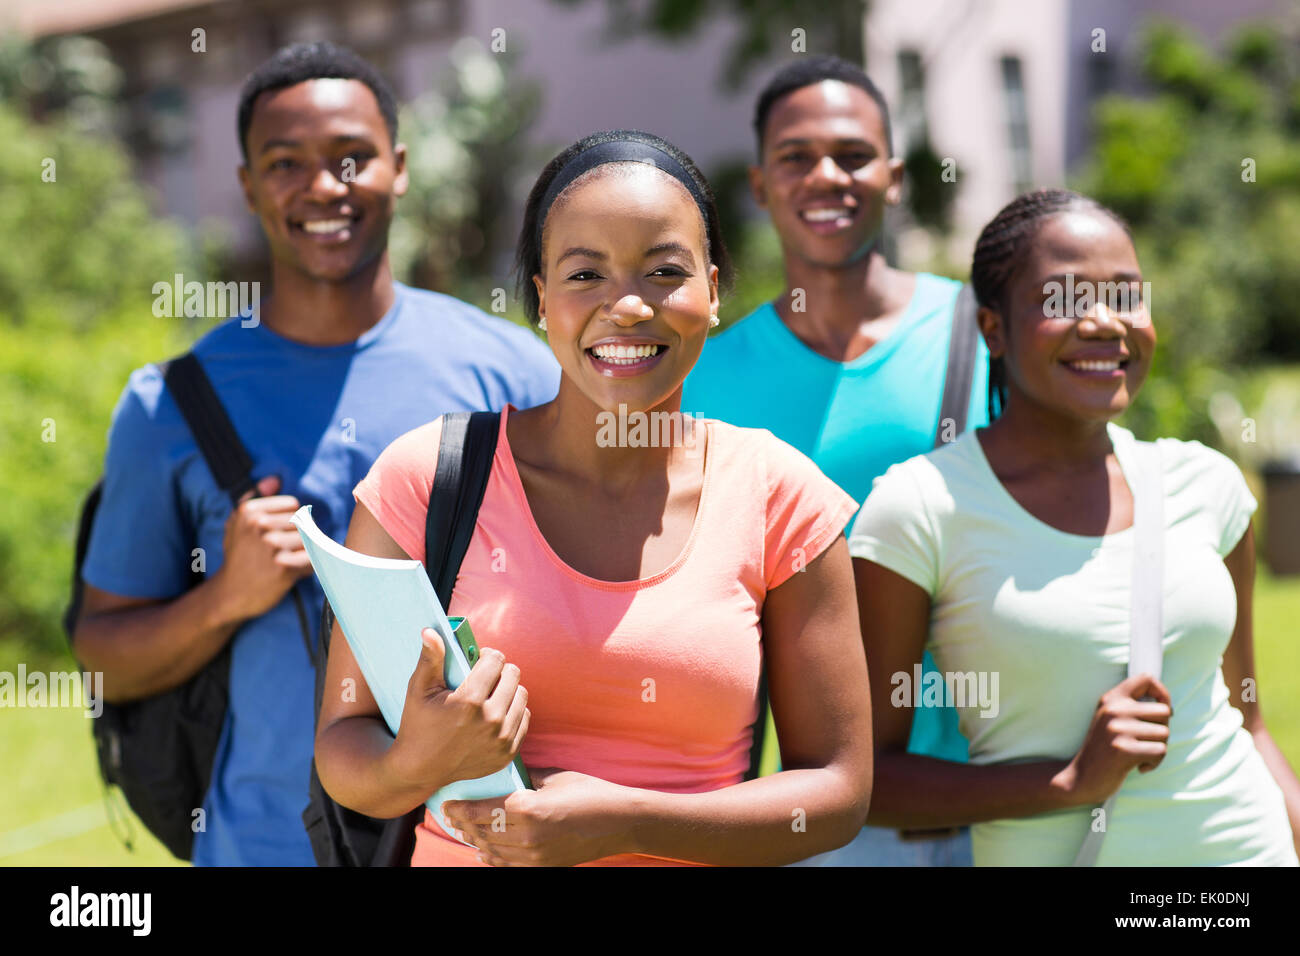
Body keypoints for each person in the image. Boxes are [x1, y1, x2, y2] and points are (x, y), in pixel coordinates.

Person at [313, 129, 874, 866]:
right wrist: (414, 762)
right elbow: (343, 746)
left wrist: (631, 821)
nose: (629, 308)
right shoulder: (426, 477)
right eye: (585, 276)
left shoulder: (780, 494)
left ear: (712, 292)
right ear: (542, 300)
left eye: (664, 272)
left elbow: (837, 791)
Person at [72, 41, 559, 866]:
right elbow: (101, 659)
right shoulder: (172, 404)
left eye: (351, 158)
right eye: (285, 162)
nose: (322, 186)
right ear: (248, 185)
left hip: (483, 845)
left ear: (398, 168)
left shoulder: (518, 372)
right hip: (258, 847)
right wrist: (226, 595)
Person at [850, 187, 1300, 865]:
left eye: (1126, 295)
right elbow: (858, 777)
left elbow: (1249, 723)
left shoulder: (1205, 486)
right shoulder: (921, 508)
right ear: (993, 329)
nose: (1103, 323)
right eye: (1062, 299)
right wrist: (1064, 783)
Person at [682, 54, 985, 865]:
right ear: (759, 185)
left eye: (854, 155)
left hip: (1015, 794)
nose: (827, 176)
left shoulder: (988, 335)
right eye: (796, 157)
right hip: (830, 821)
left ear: (892, 175)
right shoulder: (707, 379)